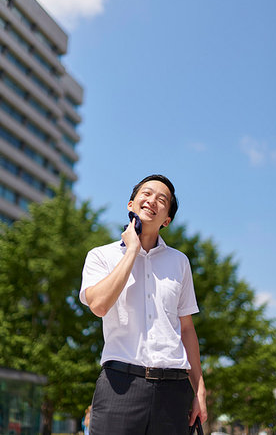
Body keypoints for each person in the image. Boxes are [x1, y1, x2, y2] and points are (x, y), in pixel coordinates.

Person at [79, 174, 207, 435]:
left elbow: (187, 330)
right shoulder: (100, 256)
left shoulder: (179, 262)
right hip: (119, 386)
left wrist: (200, 391)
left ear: (167, 220)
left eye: (162, 200)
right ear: (131, 204)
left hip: (174, 390)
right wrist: (132, 250)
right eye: (146, 194)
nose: (152, 200)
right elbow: (99, 306)